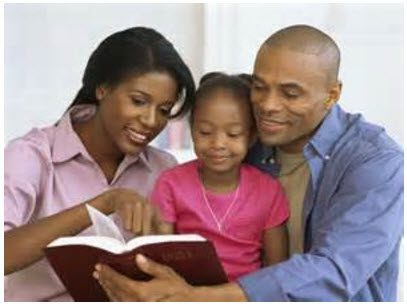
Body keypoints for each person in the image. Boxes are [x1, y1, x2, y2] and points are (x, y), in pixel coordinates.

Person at [93, 24, 404, 301]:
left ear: (332, 94)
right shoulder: (247, 144)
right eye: (259, 86)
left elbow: (335, 271)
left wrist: (195, 297)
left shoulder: (375, 162)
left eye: (290, 94)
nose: (268, 105)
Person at [4, 26, 195, 301]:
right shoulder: (32, 156)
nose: (152, 121)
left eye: (164, 110)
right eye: (139, 101)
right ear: (102, 88)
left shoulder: (163, 168)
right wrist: (104, 203)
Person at [150, 72, 290, 281]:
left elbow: (277, 268)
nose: (218, 144)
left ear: (252, 136)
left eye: (233, 134)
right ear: (192, 130)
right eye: (205, 132)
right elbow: (159, 255)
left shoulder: (269, 191)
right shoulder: (171, 184)